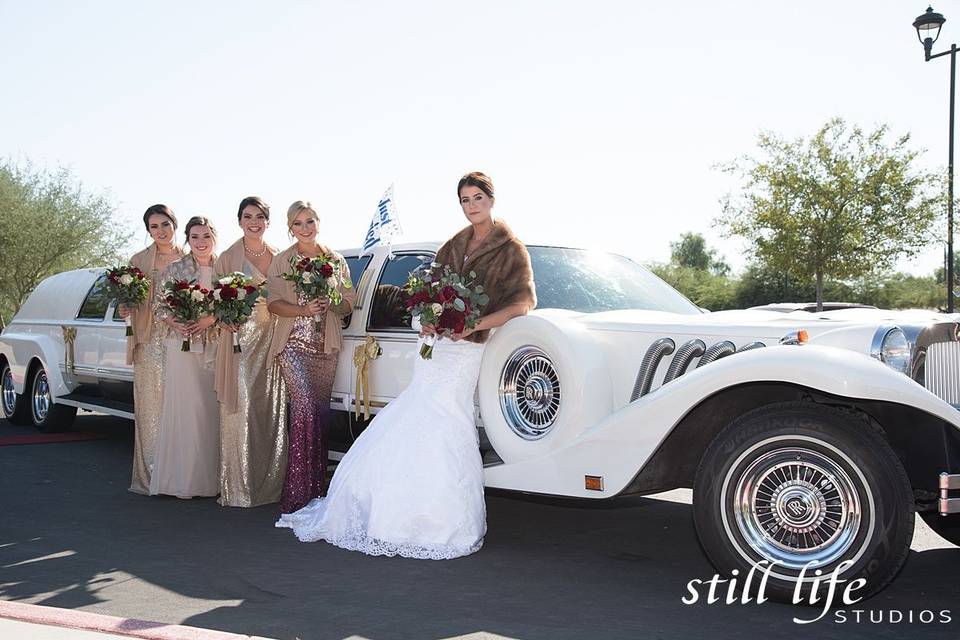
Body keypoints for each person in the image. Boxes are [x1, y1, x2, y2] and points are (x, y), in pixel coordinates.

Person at [276, 172, 537, 559]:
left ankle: (439, 519)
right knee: (420, 411)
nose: (471, 206)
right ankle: (393, 511)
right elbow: (426, 292)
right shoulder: (453, 245)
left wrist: (472, 325)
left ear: (492, 199)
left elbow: (522, 304)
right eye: (464, 200)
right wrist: (428, 317)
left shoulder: (512, 250)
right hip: (434, 345)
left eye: (477, 198)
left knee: (450, 421)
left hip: (469, 347)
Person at [266, 201, 356, 513]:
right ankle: (296, 494)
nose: (305, 228)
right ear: (290, 228)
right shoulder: (282, 260)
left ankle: (316, 491)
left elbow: (348, 302)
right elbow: (274, 303)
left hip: (324, 347)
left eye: (310, 221)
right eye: (298, 223)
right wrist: (305, 310)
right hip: (292, 344)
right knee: (303, 407)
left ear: (318, 222)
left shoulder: (336, 260)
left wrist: (331, 302)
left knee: (319, 413)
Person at [214, 197, 288, 507]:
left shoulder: (280, 257)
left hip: (273, 338)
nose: (253, 221)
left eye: (260, 216)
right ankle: (240, 487)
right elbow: (213, 297)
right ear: (239, 220)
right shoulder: (228, 257)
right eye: (247, 216)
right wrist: (224, 317)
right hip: (240, 341)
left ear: (268, 222)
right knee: (241, 407)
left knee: (269, 409)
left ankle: (270, 485)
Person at [150, 217, 221, 499]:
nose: (201, 242)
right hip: (181, 345)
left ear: (214, 237)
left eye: (206, 235)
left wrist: (211, 319)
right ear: (188, 240)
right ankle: (183, 481)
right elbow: (158, 307)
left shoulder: (225, 269)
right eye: (195, 237)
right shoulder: (175, 269)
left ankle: (213, 481)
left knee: (210, 410)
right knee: (187, 410)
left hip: (216, 347)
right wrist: (175, 323)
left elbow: (236, 305)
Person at [121, 204, 185, 495]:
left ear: (174, 224)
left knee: (179, 405)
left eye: (165, 225)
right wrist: (124, 306)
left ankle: (180, 476)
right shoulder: (138, 261)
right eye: (154, 227)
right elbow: (129, 302)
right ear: (148, 230)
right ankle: (152, 476)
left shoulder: (190, 258)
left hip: (181, 339)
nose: (160, 231)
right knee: (150, 408)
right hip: (148, 340)